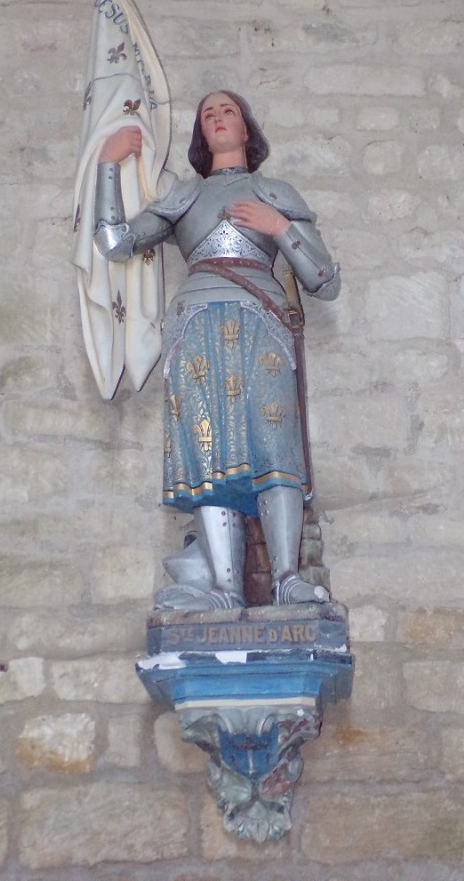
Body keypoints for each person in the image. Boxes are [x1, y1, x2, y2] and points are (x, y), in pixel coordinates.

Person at [94, 91, 340, 609]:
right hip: (197, 325)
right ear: (201, 137)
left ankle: (287, 578)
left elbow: (324, 279)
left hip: (262, 322)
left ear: (246, 128)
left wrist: (280, 228)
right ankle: (224, 588)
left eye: (227, 110)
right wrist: (107, 165)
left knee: (275, 444)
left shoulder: (275, 192)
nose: (218, 118)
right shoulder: (184, 196)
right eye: (208, 114)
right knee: (207, 448)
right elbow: (116, 241)